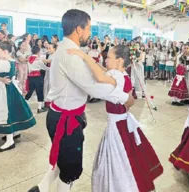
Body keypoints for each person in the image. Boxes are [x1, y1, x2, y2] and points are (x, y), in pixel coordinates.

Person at [28, 9, 134, 192]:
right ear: (79, 29)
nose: (90, 33)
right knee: (71, 171)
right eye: (89, 28)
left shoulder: (68, 50)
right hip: (65, 120)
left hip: (63, 115)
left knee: (63, 161)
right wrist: (124, 96)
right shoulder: (70, 54)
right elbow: (93, 86)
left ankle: (41, 188)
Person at [67, 44, 163, 192]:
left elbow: (100, 78)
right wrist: (96, 63)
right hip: (122, 122)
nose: (106, 60)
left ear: (119, 61)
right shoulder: (122, 75)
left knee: (118, 162)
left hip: (116, 127)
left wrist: (85, 57)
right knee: (126, 160)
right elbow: (106, 72)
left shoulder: (116, 76)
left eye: (109, 58)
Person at [0, 41, 36, 152]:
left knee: (5, 113)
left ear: (5, 52)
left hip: (4, 89)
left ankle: (10, 141)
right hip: (10, 88)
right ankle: (14, 133)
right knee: (11, 111)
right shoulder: (11, 61)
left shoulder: (2, 62)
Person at [24, 46, 49, 114]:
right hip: (38, 77)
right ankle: (39, 108)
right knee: (39, 91)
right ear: (38, 52)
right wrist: (51, 68)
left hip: (30, 77)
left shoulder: (29, 59)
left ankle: (24, 103)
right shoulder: (38, 60)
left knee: (30, 91)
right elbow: (44, 68)